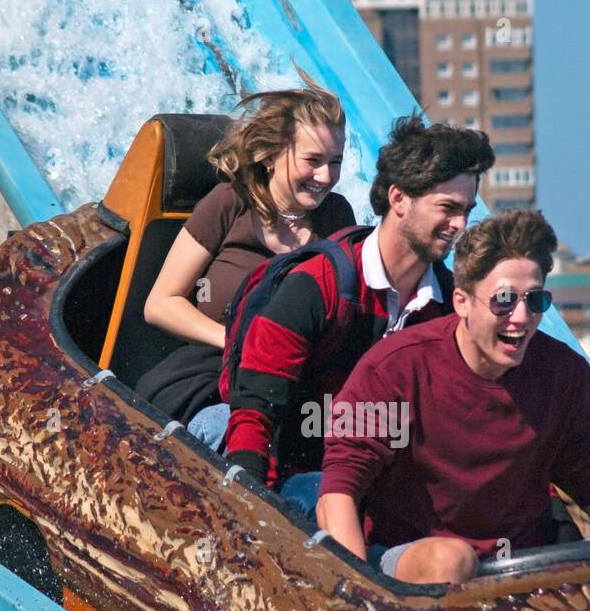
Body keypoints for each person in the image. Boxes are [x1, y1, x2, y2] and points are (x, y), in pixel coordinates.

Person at [316, 209, 590, 584]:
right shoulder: (393, 368)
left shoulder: (565, 375)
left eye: (535, 300)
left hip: (520, 568)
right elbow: (337, 493)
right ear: (461, 301)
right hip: (408, 568)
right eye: (504, 300)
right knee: (453, 560)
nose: (521, 317)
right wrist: (359, 596)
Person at [193, 116, 495, 516]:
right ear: (399, 198)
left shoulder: (447, 308)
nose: (460, 225)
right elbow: (255, 410)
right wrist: (248, 511)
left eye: (467, 210)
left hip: (363, 473)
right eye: (448, 208)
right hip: (285, 468)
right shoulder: (317, 284)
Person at [143, 74, 355, 350]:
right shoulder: (230, 202)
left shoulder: (337, 218)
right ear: (269, 156)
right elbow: (161, 304)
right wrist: (239, 344)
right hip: (208, 367)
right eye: (312, 160)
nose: (326, 177)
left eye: (335, 162)